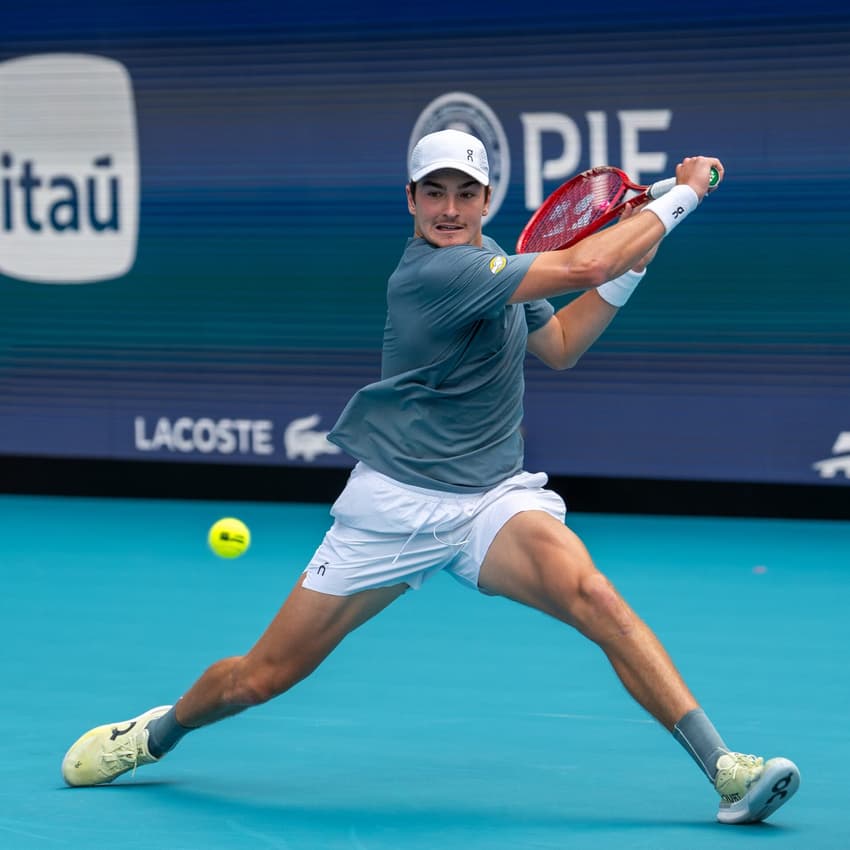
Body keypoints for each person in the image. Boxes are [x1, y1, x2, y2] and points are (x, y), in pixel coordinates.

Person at [62, 129, 799, 825]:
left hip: (492, 502)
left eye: (465, 193)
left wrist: (642, 253)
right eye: (434, 192)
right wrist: (684, 197)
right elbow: (587, 264)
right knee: (261, 678)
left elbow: (564, 343)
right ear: (411, 200)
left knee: (593, 595)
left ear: (486, 201)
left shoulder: (500, 261)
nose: (450, 209)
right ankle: (158, 732)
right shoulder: (432, 275)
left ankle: (726, 769)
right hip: (397, 507)